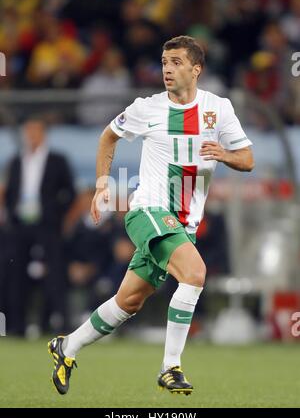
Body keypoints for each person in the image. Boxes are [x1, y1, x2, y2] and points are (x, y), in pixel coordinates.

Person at [48, 35, 254, 395]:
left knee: (128, 301)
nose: (168, 69)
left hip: (183, 225)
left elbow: (247, 160)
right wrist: (101, 186)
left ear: (196, 68)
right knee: (195, 272)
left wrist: (223, 154)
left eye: (176, 62)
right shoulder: (146, 108)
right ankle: (170, 367)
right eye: (164, 62)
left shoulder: (218, 108)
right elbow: (107, 138)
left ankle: (67, 347)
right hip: (148, 209)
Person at [4, 116, 76, 335]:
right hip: (21, 226)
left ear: (43, 134)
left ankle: (60, 325)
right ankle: (17, 326)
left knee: (55, 274)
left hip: (47, 225)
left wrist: (56, 214)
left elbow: (69, 192)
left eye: (35, 131)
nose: (31, 135)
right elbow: (11, 192)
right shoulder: (17, 160)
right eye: (28, 131)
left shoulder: (57, 160)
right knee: (16, 275)